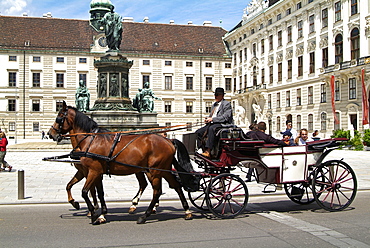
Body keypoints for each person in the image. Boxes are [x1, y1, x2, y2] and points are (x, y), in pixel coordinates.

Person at [195, 87, 233, 158]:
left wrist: (212, 119)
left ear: (222, 95)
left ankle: (209, 151)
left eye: (217, 95)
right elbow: (211, 115)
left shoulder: (226, 104)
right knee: (198, 132)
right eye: (215, 95)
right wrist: (208, 119)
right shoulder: (214, 105)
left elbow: (225, 117)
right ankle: (202, 149)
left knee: (212, 129)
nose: (215, 96)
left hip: (223, 123)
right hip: (213, 123)